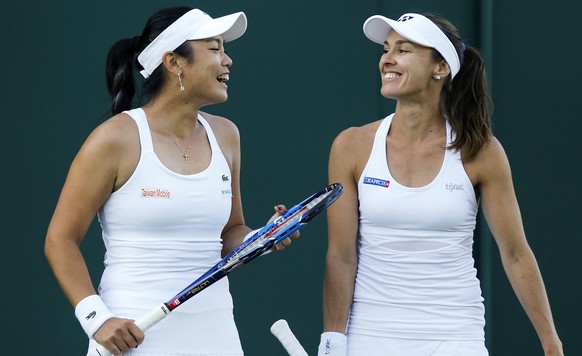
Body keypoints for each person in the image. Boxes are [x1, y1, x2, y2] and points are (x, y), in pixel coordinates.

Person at [45, 6, 296, 356]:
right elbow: (60, 238)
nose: (228, 60)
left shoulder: (226, 135)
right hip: (134, 333)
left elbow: (231, 232)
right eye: (214, 48)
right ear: (174, 62)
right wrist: (96, 318)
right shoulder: (115, 138)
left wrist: (261, 238)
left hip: (217, 331)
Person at [317, 12, 563, 356]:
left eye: (403, 49)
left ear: (440, 68)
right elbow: (341, 256)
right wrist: (332, 339)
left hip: (455, 334)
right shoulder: (350, 146)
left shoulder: (482, 151)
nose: (387, 58)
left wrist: (551, 344)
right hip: (371, 333)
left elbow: (516, 254)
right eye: (386, 49)